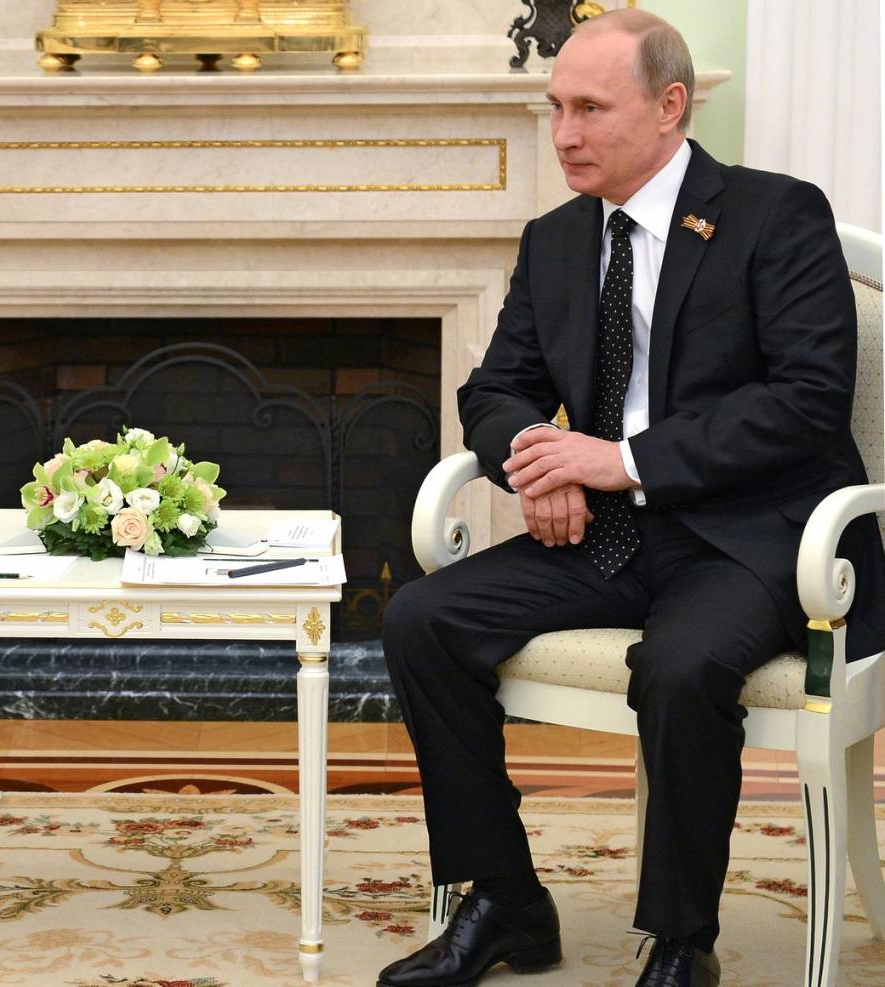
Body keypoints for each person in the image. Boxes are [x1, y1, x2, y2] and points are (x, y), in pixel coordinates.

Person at [377, 10, 884, 987]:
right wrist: (540, 461)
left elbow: (805, 401)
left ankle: (682, 942)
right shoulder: (557, 239)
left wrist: (620, 461)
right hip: (605, 535)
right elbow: (495, 388)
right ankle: (506, 901)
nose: (564, 134)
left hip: (754, 536)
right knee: (421, 620)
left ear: (668, 107)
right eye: (556, 108)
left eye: (590, 109)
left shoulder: (776, 214)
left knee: (681, 666)